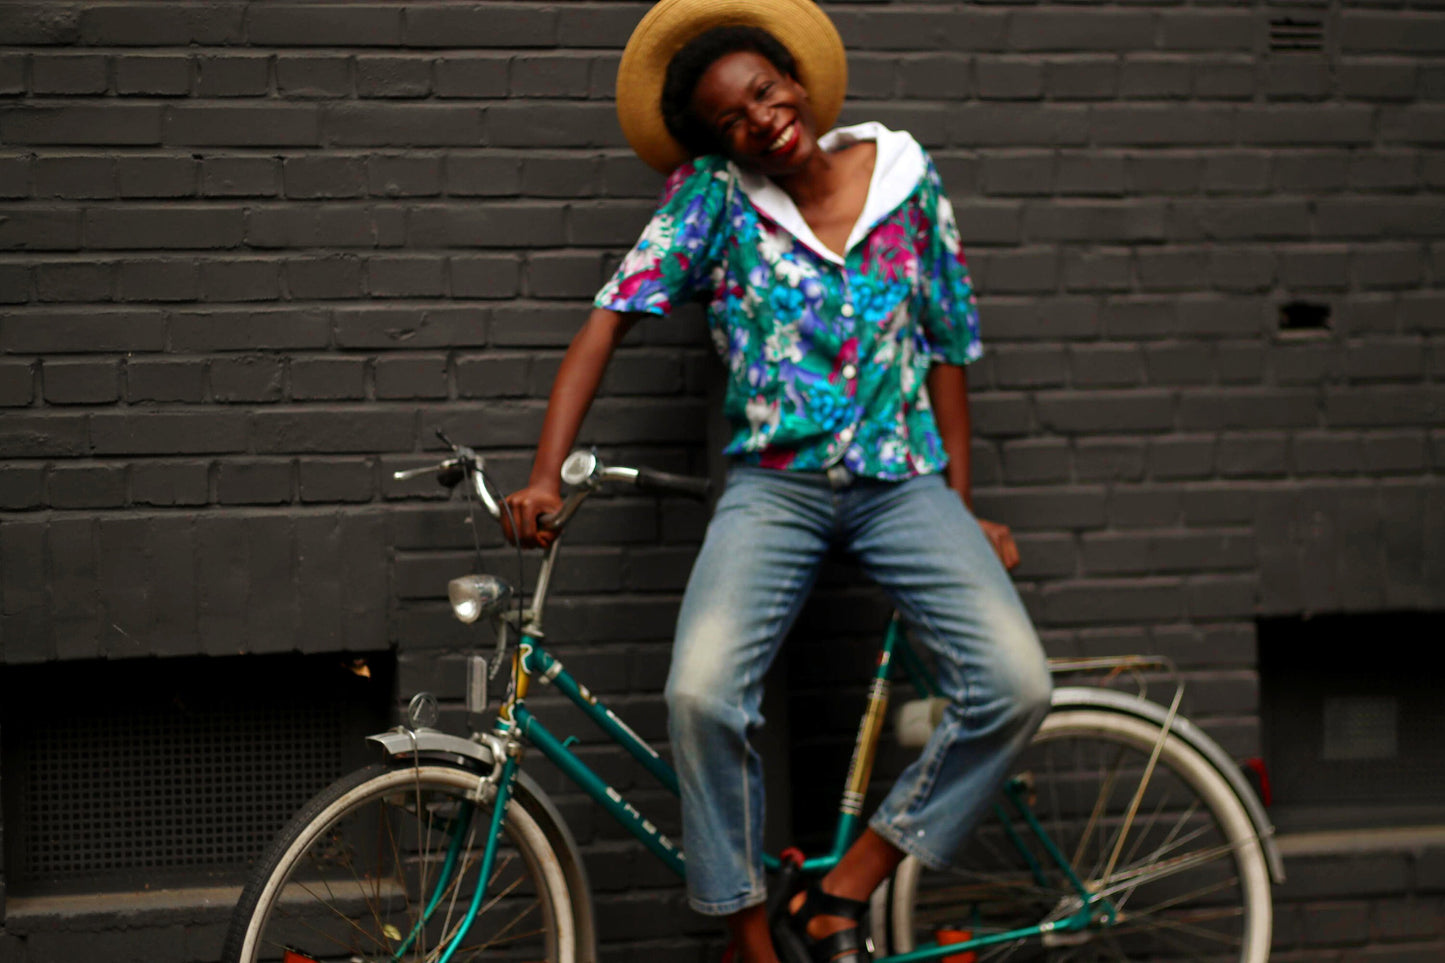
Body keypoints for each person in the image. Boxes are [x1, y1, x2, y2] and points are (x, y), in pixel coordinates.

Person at [503, 3, 1052, 961]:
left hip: (902, 483)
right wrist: (545, 471)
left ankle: (843, 892)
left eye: (763, 91)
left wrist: (962, 508)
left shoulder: (907, 178)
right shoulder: (714, 197)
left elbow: (948, 347)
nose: (759, 119)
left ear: (795, 80)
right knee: (702, 695)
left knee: (1014, 683)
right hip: (775, 491)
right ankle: (753, 938)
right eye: (731, 118)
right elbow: (608, 318)